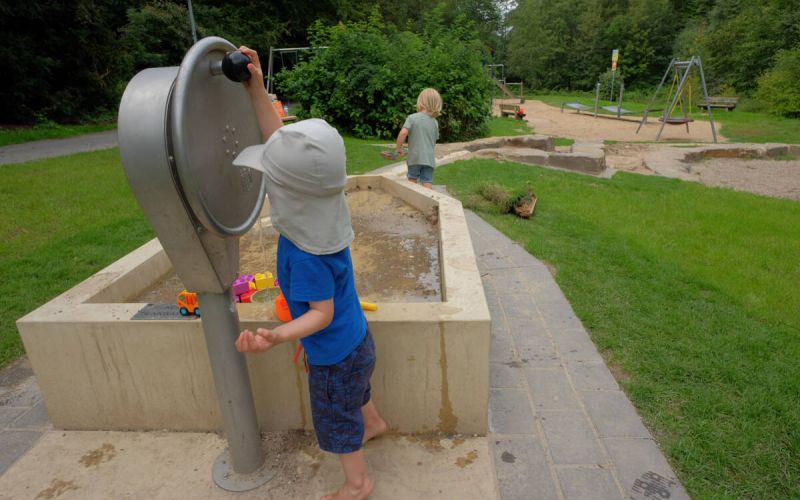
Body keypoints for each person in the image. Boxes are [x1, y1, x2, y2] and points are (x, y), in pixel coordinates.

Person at [232, 46, 386, 500]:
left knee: (336, 417)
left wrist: (279, 336)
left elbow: (321, 314)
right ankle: (374, 423)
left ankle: (357, 483)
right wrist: (256, 86)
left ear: (285, 192)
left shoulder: (305, 255)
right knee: (354, 395)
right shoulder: (326, 206)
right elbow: (281, 141)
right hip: (356, 341)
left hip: (334, 355)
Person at [394, 88, 442, 189]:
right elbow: (433, 141)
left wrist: (398, 148)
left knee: (412, 178)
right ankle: (428, 197)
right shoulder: (435, 122)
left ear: (421, 102)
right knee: (427, 180)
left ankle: (413, 197)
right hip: (429, 159)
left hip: (415, 157)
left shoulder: (412, 118)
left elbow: (403, 133)